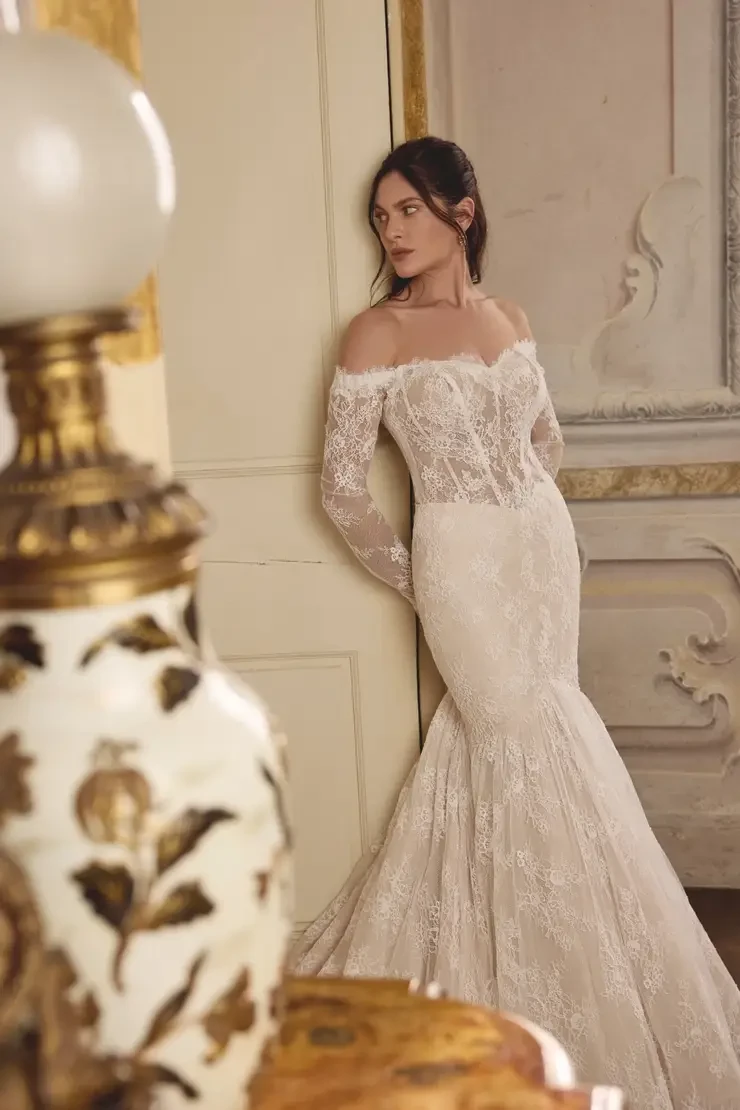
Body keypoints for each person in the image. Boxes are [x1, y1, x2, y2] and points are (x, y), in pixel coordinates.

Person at [290, 136, 740, 1107]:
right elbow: (339, 492)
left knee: (550, 731)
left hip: (538, 550)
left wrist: (531, 505)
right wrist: (423, 580)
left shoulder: (508, 318)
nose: (390, 230)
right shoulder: (374, 331)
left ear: (460, 210)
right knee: (508, 733)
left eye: (406, 209)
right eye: (379, 216)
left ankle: (581, 972)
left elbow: (543, 441)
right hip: (457, 556)